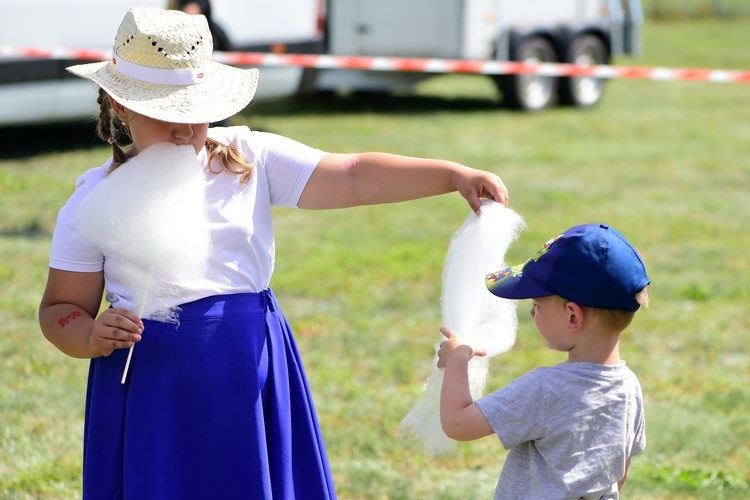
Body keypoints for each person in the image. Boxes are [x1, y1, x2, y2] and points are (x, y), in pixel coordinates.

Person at [37, 5, 509, 499]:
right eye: (166, 115)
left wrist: (450, 175)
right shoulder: (91, 201)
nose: (185, 131)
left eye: (196, 116)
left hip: (249, 367)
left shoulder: (247, 158)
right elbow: (59, 310)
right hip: (155, 387)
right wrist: (89, 334)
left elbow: (350, 175)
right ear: (121, 107)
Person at [437, 223, 650, 499]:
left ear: (573, 316)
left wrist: (457, 358)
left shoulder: (545, 389)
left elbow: (458, 424)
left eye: (537, 305)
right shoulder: (629, 387)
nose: (532, 314)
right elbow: (619, 470)